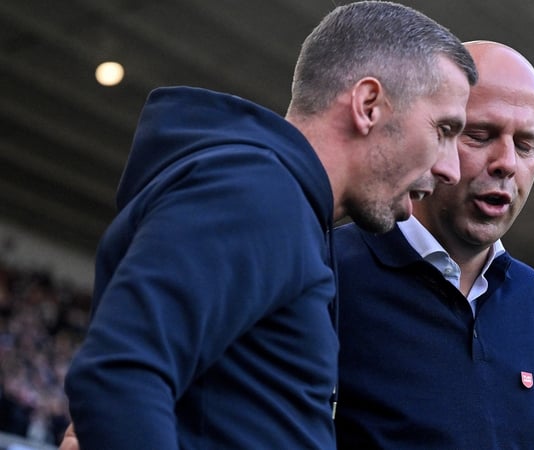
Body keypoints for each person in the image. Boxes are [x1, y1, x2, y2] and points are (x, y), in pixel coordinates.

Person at [61, 2, 477, 449]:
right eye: (444, 130)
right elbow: (120, 376)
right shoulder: (257, 193)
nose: (451, 169)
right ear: (368, 105)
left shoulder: (281, 205)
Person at [334, 41, 534, 449]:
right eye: (480, 135)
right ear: (431, 135)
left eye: (525, 145)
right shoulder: (329, 268)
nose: (507, 162)